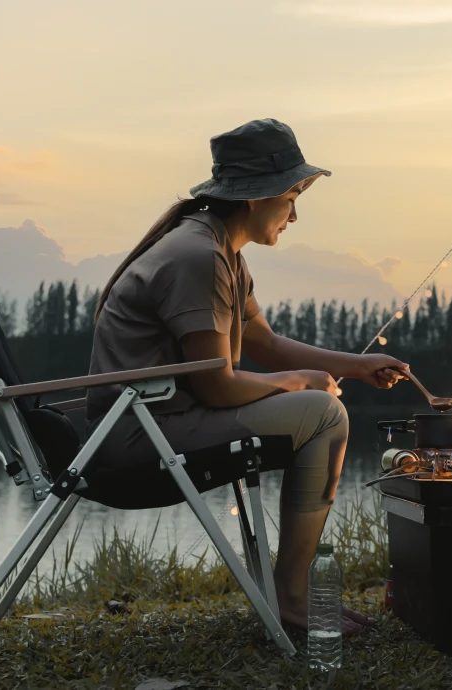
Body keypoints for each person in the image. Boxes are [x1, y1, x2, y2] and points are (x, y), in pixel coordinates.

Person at [86, 118, 407, 637]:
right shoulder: (199, 257)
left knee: (323, 406)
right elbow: (218, 386)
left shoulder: (220, 252)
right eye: (292, 198)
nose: (295, 215)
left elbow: (265, 344)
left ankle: (292, 597)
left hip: (161, 423)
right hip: (139, 440)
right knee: (325, 415)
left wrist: (355, 366)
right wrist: (304, 383)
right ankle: (293, 602)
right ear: (257, 198)